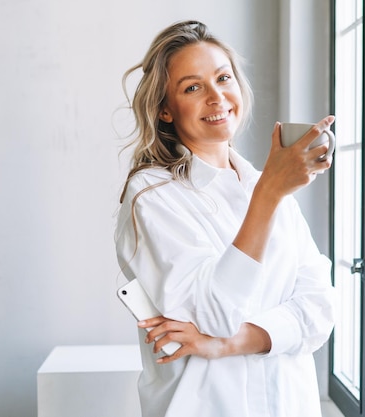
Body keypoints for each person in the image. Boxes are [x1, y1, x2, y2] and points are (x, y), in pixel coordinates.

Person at [114, 20, 335, 417]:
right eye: (192, 87)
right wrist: (268, 195)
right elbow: (214, 312)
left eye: (223, 78)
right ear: (165, 109)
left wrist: (226, 344)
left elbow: (319, 309)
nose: (216, 96)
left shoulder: (264, 185)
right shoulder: (152, 196)